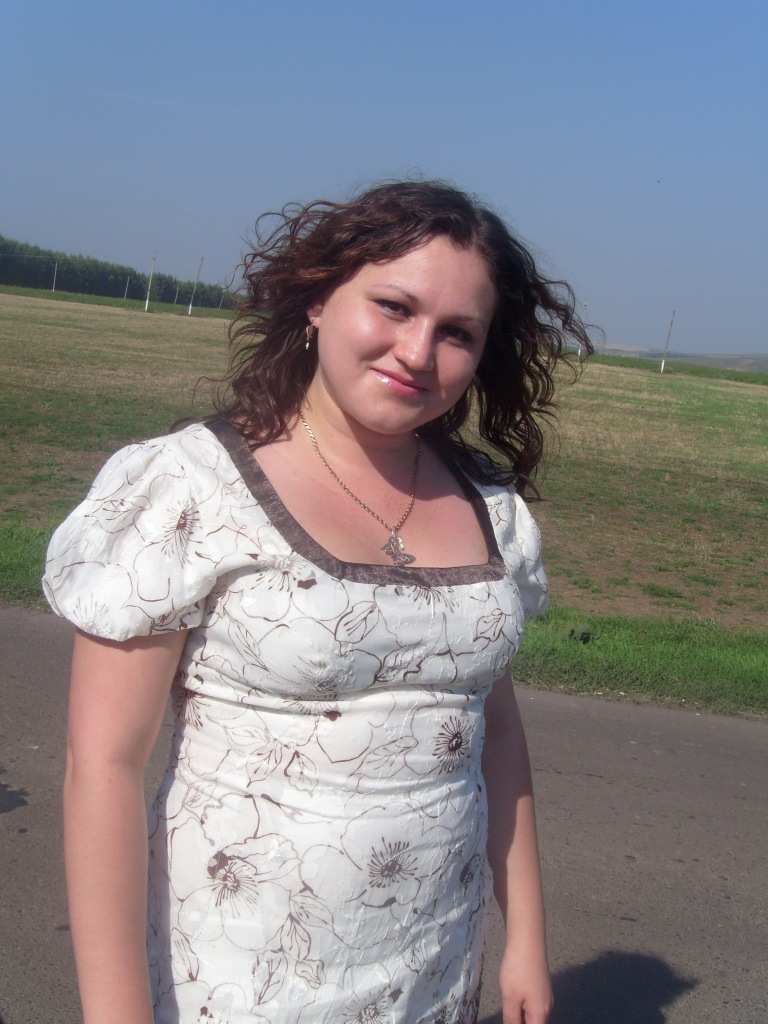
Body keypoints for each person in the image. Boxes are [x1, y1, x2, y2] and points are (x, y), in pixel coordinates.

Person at [44, 180, 592, 1024]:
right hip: (239, 970)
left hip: (435, 956)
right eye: (393, 307)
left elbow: (498, 732)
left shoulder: (491, 507)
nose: (418, 352)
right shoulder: (187, 487)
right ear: (316, 301)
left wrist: (525, 937)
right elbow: (103, 768)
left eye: (457, 333)